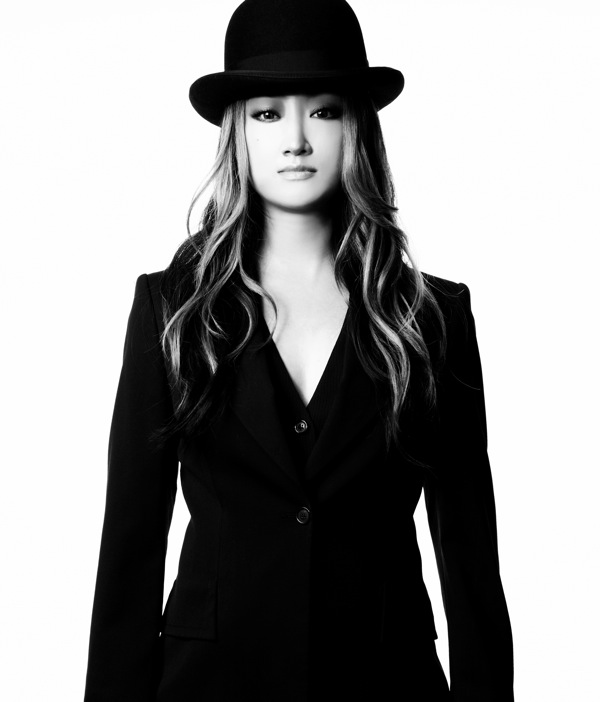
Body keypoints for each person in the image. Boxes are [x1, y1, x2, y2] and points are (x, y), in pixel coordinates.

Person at [84, 0, 514, 700]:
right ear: (238, 133)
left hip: (385, 684)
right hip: (209, 688)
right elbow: (130, 547)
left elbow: (469, 560)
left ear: (356, 128)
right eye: (266, 114)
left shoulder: (432, 318)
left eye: (323, 111)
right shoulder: (172, 309)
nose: (295, 140)